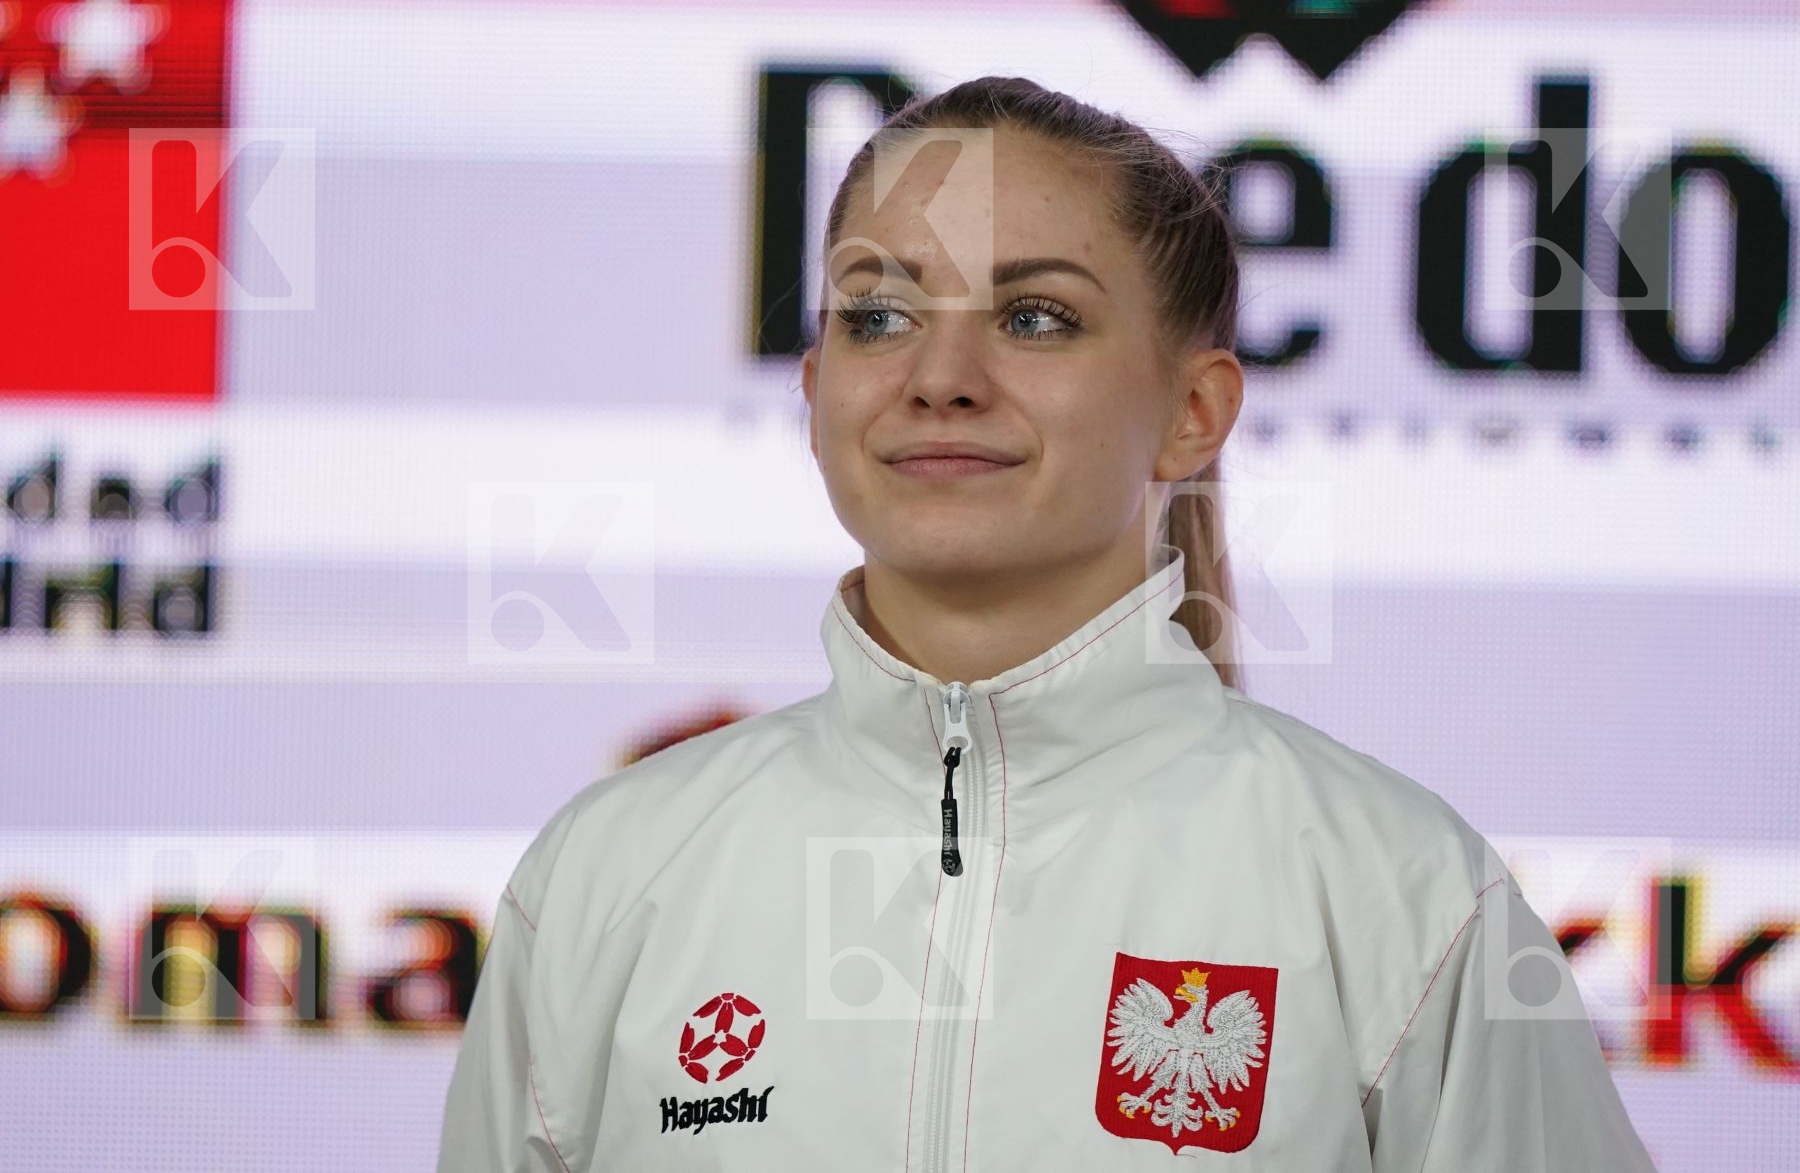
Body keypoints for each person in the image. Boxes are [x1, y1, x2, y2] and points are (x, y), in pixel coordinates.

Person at [436, 76, 1658, 1171]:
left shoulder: (1399, 891)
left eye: (1034, 319)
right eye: (878, 314)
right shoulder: (610, 874)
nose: (939, 377)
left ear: (1193, 411)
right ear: (815, 391)